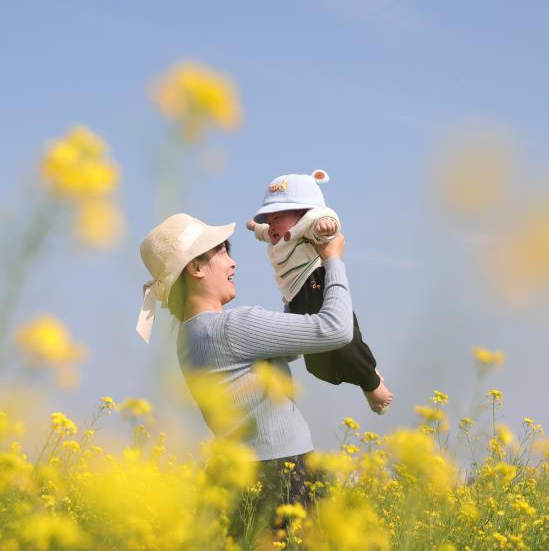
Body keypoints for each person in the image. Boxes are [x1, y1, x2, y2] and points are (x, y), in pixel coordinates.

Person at [136, 212, 354, 539]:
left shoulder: (189, 337)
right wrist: (334, 260)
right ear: (195, 268)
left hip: (239, 479)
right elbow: (335, 330)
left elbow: (290, 346)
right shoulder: (232, 328)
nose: (233, 263)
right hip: (284, 475)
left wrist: (298, 270)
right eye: (222, 251)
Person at [246, 170, 393, 414]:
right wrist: (255, 227)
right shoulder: (278, 236)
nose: (271, 226)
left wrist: (327, 225)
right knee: (317, 365)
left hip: (315, 284)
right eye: (269, 220)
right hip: (294, 299)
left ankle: (371, 383)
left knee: (342, 338)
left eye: (277, 218)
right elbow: (264, 232)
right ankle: (366, 371)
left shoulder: (308, 228)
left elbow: (326, 219)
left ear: (302, 213)